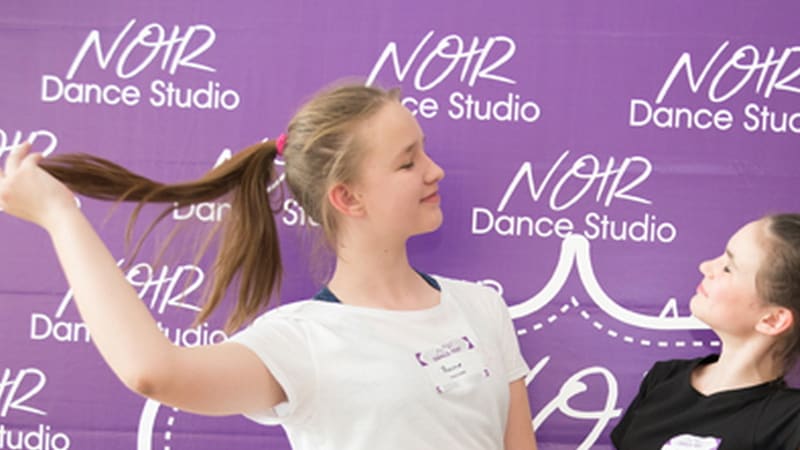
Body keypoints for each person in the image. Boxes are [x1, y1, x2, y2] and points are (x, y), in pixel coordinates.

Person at [0, 83, 537, 450]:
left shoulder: (481, 308)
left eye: (425, 152)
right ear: (348, 198)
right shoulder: (301, 342)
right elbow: (155, 373)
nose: (434, 170)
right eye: (408, 161)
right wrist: (60, 218)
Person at [611, 214, 800, 449]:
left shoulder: (790, 424)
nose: (705, 266)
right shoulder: (664, 377)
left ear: (772, 320)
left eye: (728, 268)